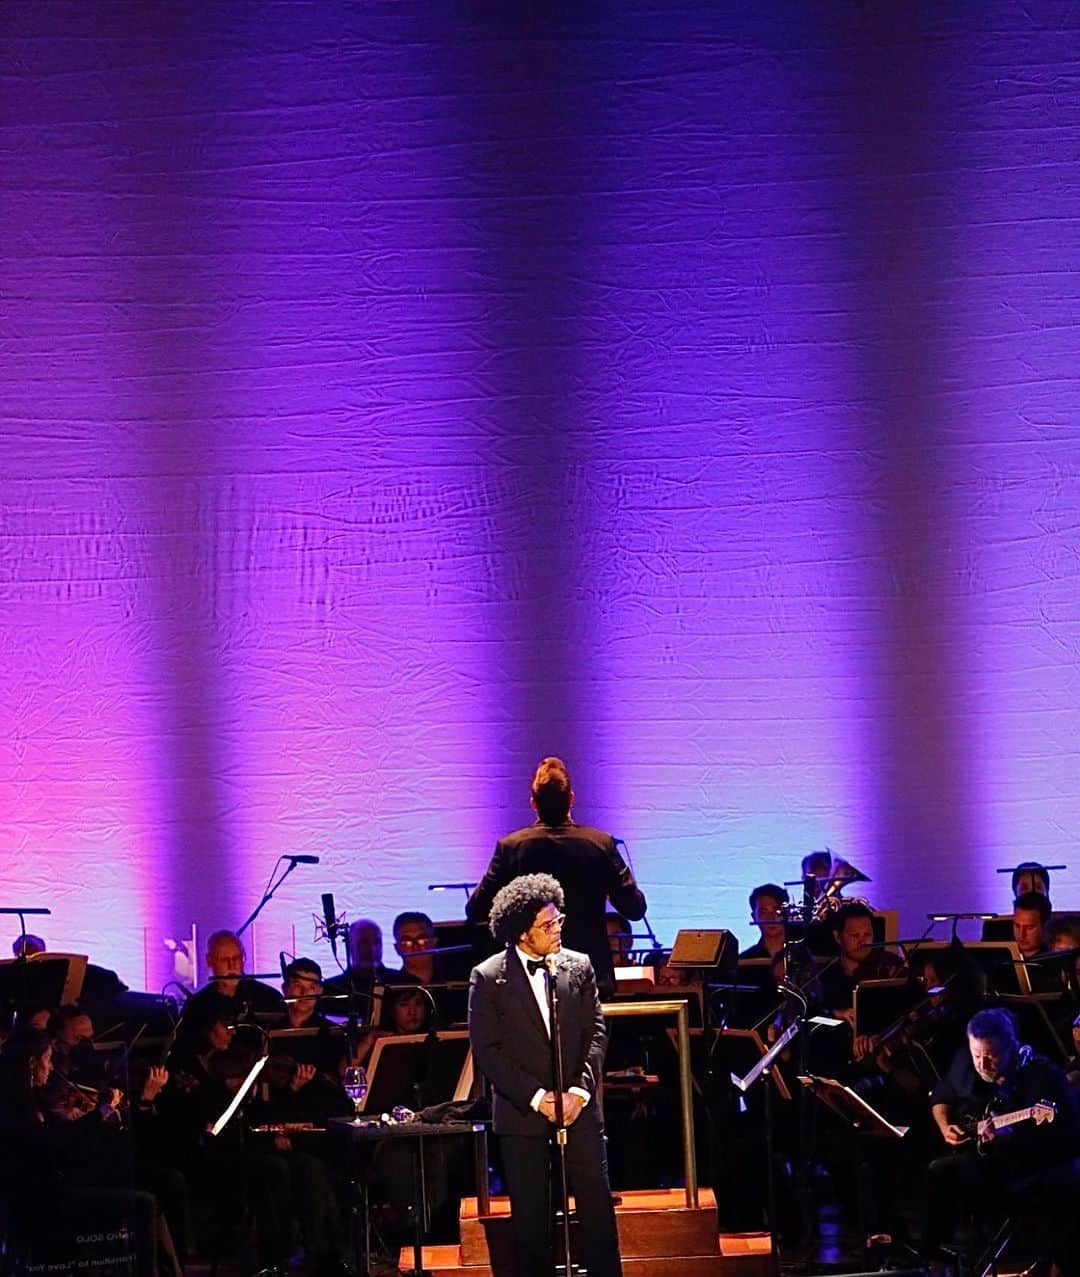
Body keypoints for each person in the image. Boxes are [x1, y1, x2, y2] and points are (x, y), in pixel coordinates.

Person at [468, 873, 622, 1277]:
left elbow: (596, 1032)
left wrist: (578, 1092)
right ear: (521, 934)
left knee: (598, 1214)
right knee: (532, 1225)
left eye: (558, 920)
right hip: (523, 1115)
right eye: (546, 925)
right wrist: (539, 1098)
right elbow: (489, 1051)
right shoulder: (487, 978)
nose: (557, 929)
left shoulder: (580, 966)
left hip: (579, 1109)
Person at [467, 756, 647, 997]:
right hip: (588, 979)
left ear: (533, 802)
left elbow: (475, 910)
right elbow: (635, 908)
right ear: (571, 798)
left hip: (529, 982)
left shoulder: (510, 848)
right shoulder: (599, 845)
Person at [923, 1007, 1080, 1270]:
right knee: (937, 1171)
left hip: (1025, 1167)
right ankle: (933, 1258)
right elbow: (941, 1095)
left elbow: (1066, 1136)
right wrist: (945, 1126)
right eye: (977, 1055)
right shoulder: (965, 1062)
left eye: (992, 1057)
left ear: (1011, 1046)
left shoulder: (1042, 1075)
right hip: (980, 1157)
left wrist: (1012, 1138)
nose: (983, 1064)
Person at [740, 883, 790, 960]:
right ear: (754, 917)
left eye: (777, 911)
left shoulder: (805, 956)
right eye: (764, 912)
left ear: (788, 913)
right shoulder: (743, 961)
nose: (771, 918)